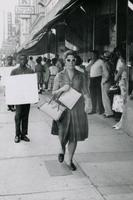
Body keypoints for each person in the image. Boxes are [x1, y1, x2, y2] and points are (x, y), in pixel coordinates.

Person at [51, 50, 91, 171]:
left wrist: (88, 103)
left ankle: (70, 159)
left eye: (73, 60)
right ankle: (62, 149)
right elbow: (53, 93)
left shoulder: (81, 75)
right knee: (63, 133)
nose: (71, 62)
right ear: (65, 61)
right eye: (68, 60)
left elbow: (85, 91)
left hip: (77, 108)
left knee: (74, 136)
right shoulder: (60, 75)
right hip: (63, 108)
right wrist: (61, 89)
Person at [10, 54, 34, 143]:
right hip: (18, 97)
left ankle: (23, 134)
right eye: (21, 59)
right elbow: (11, 85)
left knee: (25, 115)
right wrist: (11, 99)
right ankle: (17, 134)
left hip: (27, 97)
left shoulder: (31, 71)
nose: (23, 61)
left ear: (27, 60)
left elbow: (33, 85)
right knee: (18, 115)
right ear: (18, 60)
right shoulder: (14, 71)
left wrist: (34, 97)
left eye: (24, 59)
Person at [112, 50, 127, 130]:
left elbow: (115, 78)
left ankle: (122, 121)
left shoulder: (122, 67)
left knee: (124, 104)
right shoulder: (129, 66)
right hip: (128, 85)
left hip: (123, 85)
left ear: (122, 58)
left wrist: (116, 75)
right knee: (125, 103)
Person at [86, 50, 104, 114]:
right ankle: (93, 110)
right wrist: (91, 63)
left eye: (93, 54)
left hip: (99, 78)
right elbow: (87, 69)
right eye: (91, 55)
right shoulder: (91, 61)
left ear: (97, 55)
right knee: (92, 95)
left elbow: (104, 70)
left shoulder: (101, 61)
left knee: (99, 95)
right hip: (92, 79)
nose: (92, 56)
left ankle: (101, 110)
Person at [101, 51, 114, 118]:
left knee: (105, 97)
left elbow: (107, 74)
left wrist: (104, 81)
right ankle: (109, 111)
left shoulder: (105, 64)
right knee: (109, 97)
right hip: (111, 81)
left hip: (106, 82)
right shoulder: (111, 63)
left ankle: (108, 112)